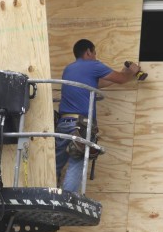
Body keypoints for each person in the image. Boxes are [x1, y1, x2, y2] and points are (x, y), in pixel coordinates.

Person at [55, 39, 141, 193]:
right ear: (88, 51)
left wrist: (124, 72)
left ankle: (49, 194)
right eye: (94, 53)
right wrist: (131, 72)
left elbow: (99, 83)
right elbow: (120, 79)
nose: (95, 56)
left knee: (56, 162)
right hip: (80, 124)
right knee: (77, 160)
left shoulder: (69, 69)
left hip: (63, 122)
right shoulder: (94, 65)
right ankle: (67, 199)